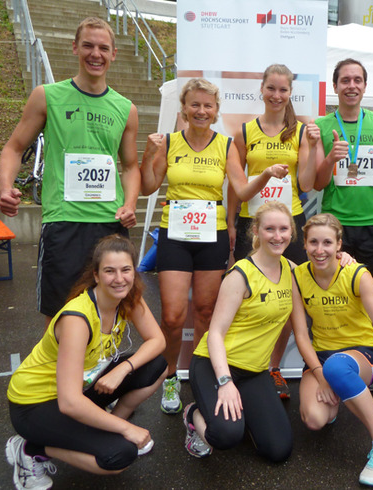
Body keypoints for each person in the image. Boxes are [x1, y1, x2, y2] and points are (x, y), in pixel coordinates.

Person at [140, 78, 289, 415]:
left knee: (207, 312)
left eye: (208, 106)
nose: (201, 111)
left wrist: (265, 174)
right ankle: (170, 378)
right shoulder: (170, 142)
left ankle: (203, 378)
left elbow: (243, 189)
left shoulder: (225, 145)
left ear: (216, 111)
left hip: (211, 235)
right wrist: (149, 156)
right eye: (195, 105)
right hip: (175, 234)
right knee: (174, 315)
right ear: (184, 109)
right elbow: (149, 187)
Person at [0, 17, 140, 322]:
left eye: (103, 48)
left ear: (114, 54)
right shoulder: (47, 96)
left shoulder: (126, 108)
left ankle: (99, 372)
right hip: (64, 220)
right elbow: (14, 147)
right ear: (75, 47)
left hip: (108, 223)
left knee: (109, 314)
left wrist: (129, 204)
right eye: (88, 45)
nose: (95, 54)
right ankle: (62, 371)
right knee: (61, 317)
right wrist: (6, 186)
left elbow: (129, 167)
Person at [6, 235, 167, 490]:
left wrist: (124, 369)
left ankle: (107, 429)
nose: (119, 278)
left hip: (77, 390)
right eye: (109, 271)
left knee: (156, 365)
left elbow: (157, 341)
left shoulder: (128, 297)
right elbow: (69, 402)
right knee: (120, 456)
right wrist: (127, 429)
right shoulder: (77, 320)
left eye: (126, 270)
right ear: (96, 275)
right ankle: (29, 448)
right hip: (34, 404)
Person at [229, 64, 324, 399]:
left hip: (290, 226)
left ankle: (273, 367)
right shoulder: (244, 132)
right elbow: (237, 188)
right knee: (246, 300)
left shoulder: (299, 131)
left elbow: (308, 183)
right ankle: (242, 365)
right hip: (251, 226)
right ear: (262, 88)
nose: (277, 95)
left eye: (283, 90)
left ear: (290, 93)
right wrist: (230, 223)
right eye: (271, 88)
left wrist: (311, 147)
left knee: (287, 300)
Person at [183, 202, 298, 462]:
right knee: (225, 435)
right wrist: (225, 382)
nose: (277, 236)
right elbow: (214, 333)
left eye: (283, 229)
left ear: (291, 232)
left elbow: (323, 270)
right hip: (215, 365)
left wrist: (342, 257)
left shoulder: (291, 270)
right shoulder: (240, 275)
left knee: (278, 450)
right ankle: (192, 415)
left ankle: (238, 411)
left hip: (254, 372)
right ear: (256, 230)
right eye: (269, 229)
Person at [291, 213, 373, 486]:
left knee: (338, 368)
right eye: (313, 242)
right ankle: (341, 388)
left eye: (327, 242)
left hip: (363, 353)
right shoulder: (298, 276)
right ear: (304, 244)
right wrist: (319, 374)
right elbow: (302, 336)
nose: (319, 250)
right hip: (324, 358)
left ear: (339, 245)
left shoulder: (357, 273)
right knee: (315, 420)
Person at [314, 58, 373, 281]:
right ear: (335, 86)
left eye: (358, 80)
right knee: (334, 287)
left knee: (371, 289)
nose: (352, 86)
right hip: (335, 222)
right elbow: (318, 184)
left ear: (365, 86)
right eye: (345, 80)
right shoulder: (321, 126)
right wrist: (330, 159)